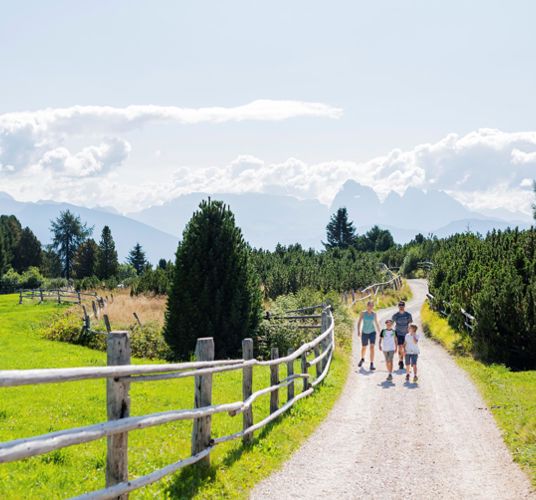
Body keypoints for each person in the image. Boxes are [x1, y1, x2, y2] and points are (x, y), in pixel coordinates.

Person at [357, 300, 380, 371]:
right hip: (364, 332)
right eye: (369, 305)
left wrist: (380, 332)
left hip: (372, 332)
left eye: (372, 306)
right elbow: (359, 322)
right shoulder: (363, 313)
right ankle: (362, 358)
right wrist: (358, 331)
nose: (371, 307)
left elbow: (376, 323)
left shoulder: (374, 314)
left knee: (372, 347)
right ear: (367, 306)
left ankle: (371, 364)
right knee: (364, 347)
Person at [392, 301, 413, 370]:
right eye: (400, 306)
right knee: (400, 347)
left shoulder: (408, 315)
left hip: (406, 334)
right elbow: (391, 324)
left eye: (402, 306)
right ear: (398, 307)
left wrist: (410, 331)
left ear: (404, 306)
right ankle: (401, 361)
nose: (401, 307)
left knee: (405, 349)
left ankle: (401, 359)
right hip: (398, 333)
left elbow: (410, 323)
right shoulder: (395, 315)